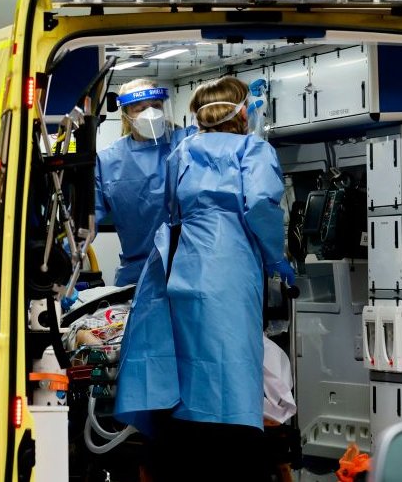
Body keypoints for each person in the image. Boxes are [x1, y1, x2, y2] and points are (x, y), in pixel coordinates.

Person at [114, 76, 295, 479]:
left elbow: (172, 210)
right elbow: (262, 206)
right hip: (229, 266)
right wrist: (276, 258)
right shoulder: (254, 150)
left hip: (182, 265)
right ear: (244, 111)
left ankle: (185, 450)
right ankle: (233, 452)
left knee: (188, 364)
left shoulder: (180, 152)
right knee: (232, 364)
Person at [94, 79, 196, 286]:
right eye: (140, 109)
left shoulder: (188, 142)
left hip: (189, 267)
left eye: (156, 106)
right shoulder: (108, 161)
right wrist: (59, 268)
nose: (151, 114)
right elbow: (86, 220)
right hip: (138, 273)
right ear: (126, 116)